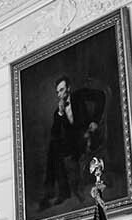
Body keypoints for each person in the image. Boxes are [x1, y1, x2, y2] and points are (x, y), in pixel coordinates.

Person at [41, 76, 105, 210]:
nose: (60, 94)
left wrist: (95, 120)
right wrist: (60, 113)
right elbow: (54, 134)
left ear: (68, 89)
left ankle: (56, 192)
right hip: (73, 144)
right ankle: (61, 192)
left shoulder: (80, 95)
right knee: (54, 147)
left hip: (88, 135)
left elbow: (101, 96)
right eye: (58, 92)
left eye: (62, 90)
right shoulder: (58, 111)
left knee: (57, 147)